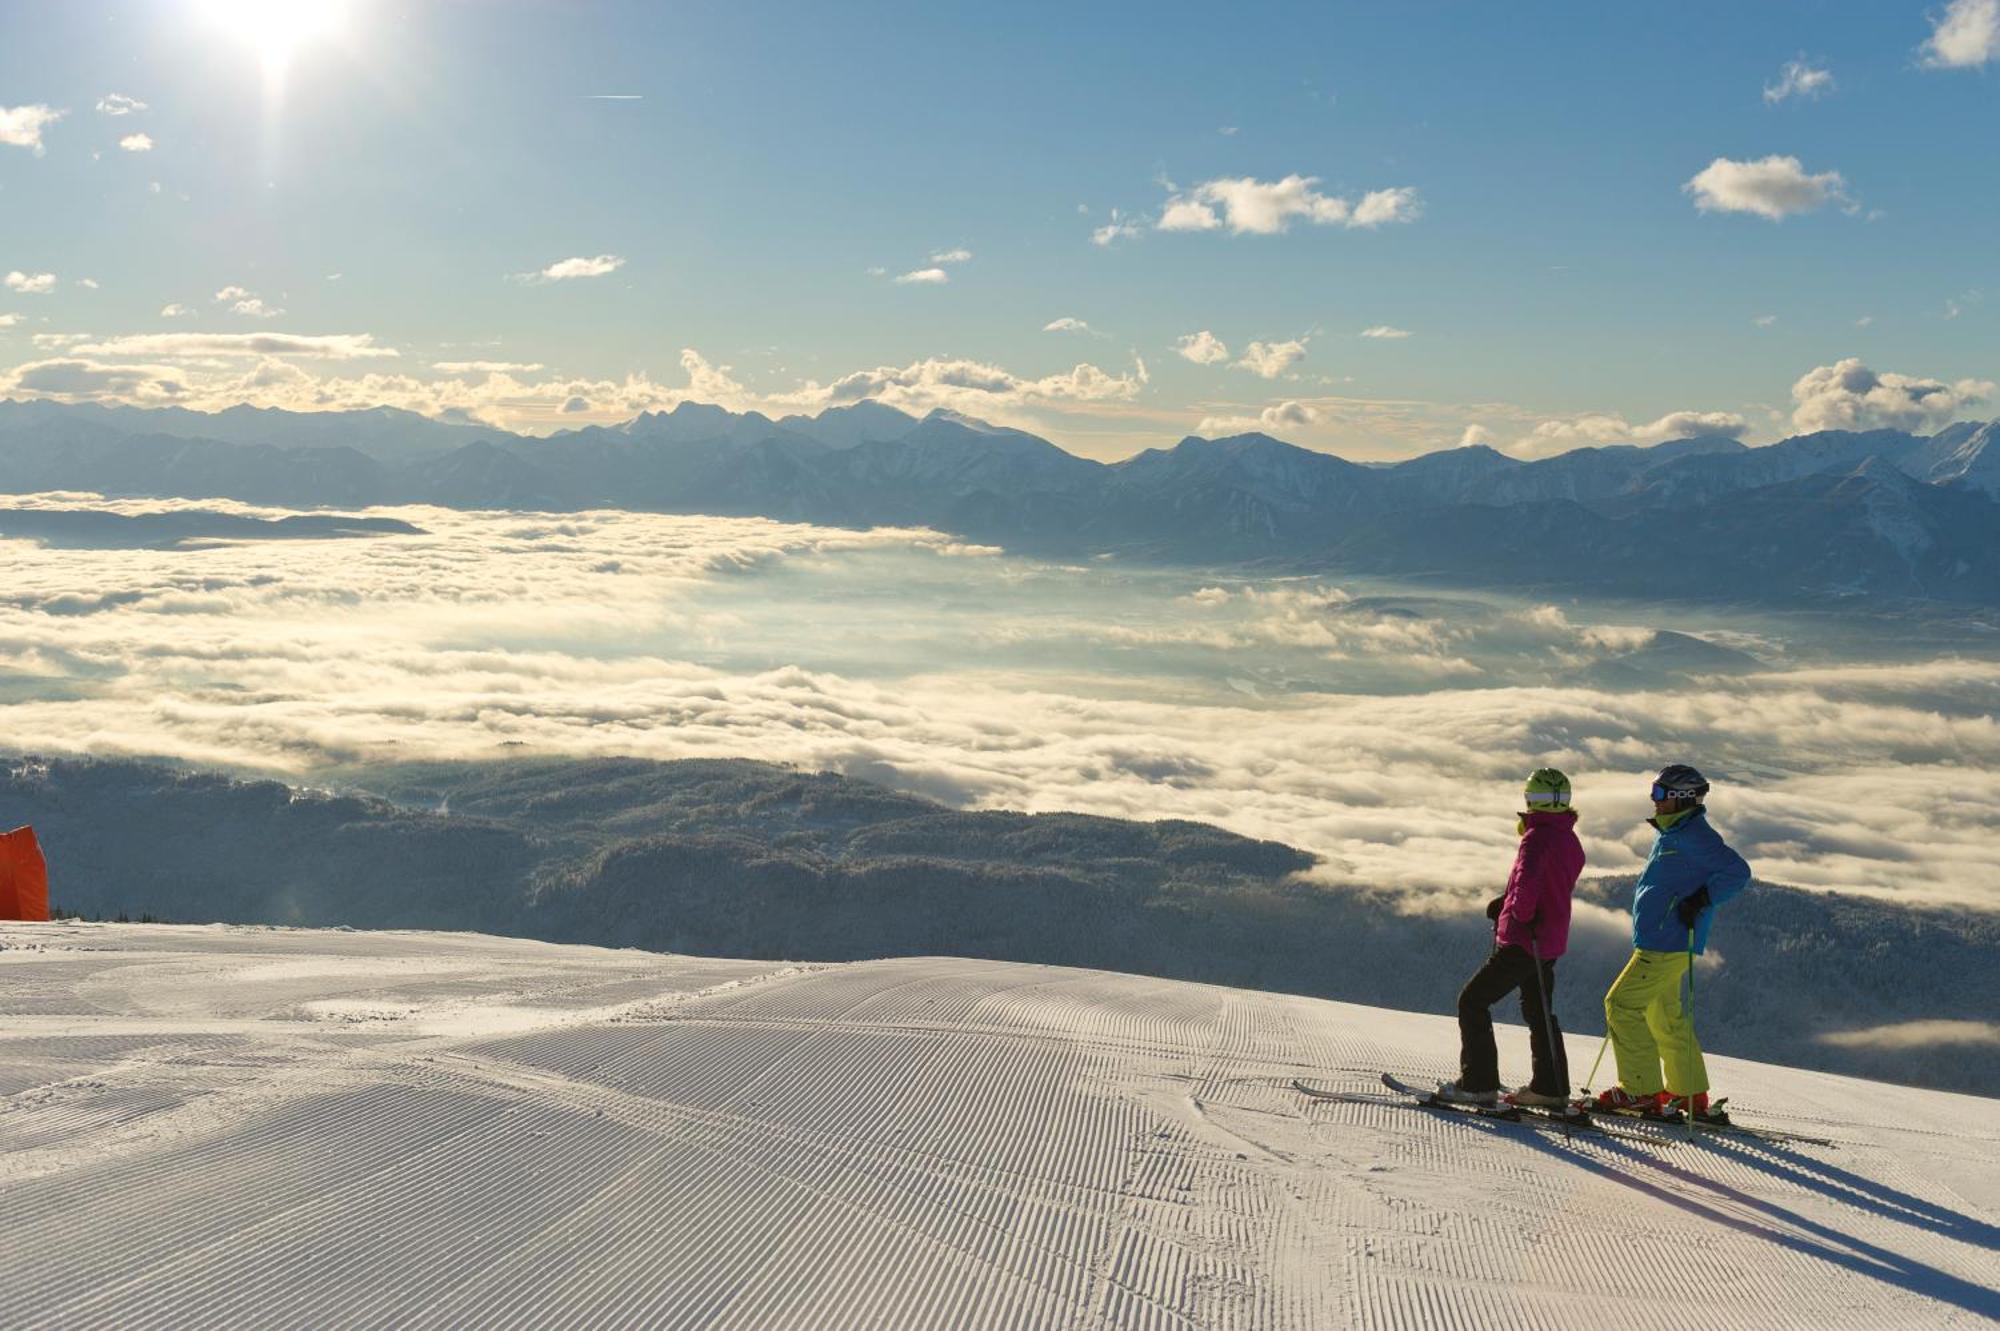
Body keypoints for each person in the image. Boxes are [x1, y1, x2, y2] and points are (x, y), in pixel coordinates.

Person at [1593, 763, 1751, 1119]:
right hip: (1665, 940)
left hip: (1667, 942)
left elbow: (1738, 872)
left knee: (1620, 1004)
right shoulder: (1674, 832)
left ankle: (1639, 1091)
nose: (1654, 800)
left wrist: (1702, 898)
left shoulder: (1693, 835)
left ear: (1680, 798)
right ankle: (1688, 1093)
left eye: (1660, 793)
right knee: (1664, 1016)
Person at [1436, 768, 1585, 1108]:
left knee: (1472, 1001)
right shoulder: (1569, 839)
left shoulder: (1536, 838)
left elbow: (1528, 882)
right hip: (1550, 941)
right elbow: (1553, 882)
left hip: (1524, 939)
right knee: (1539, 1011)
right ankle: (1551, 1087)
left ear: (1530, 798)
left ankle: (1478, 1085)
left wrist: (1516, 911)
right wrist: (1509, 901)